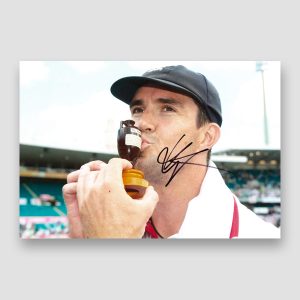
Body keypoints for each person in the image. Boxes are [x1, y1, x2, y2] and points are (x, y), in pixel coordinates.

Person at [62, 65, 280, 239]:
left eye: (168, 108)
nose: (142, 122)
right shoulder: (105, 214)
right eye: (138, 109)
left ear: (207, 137)